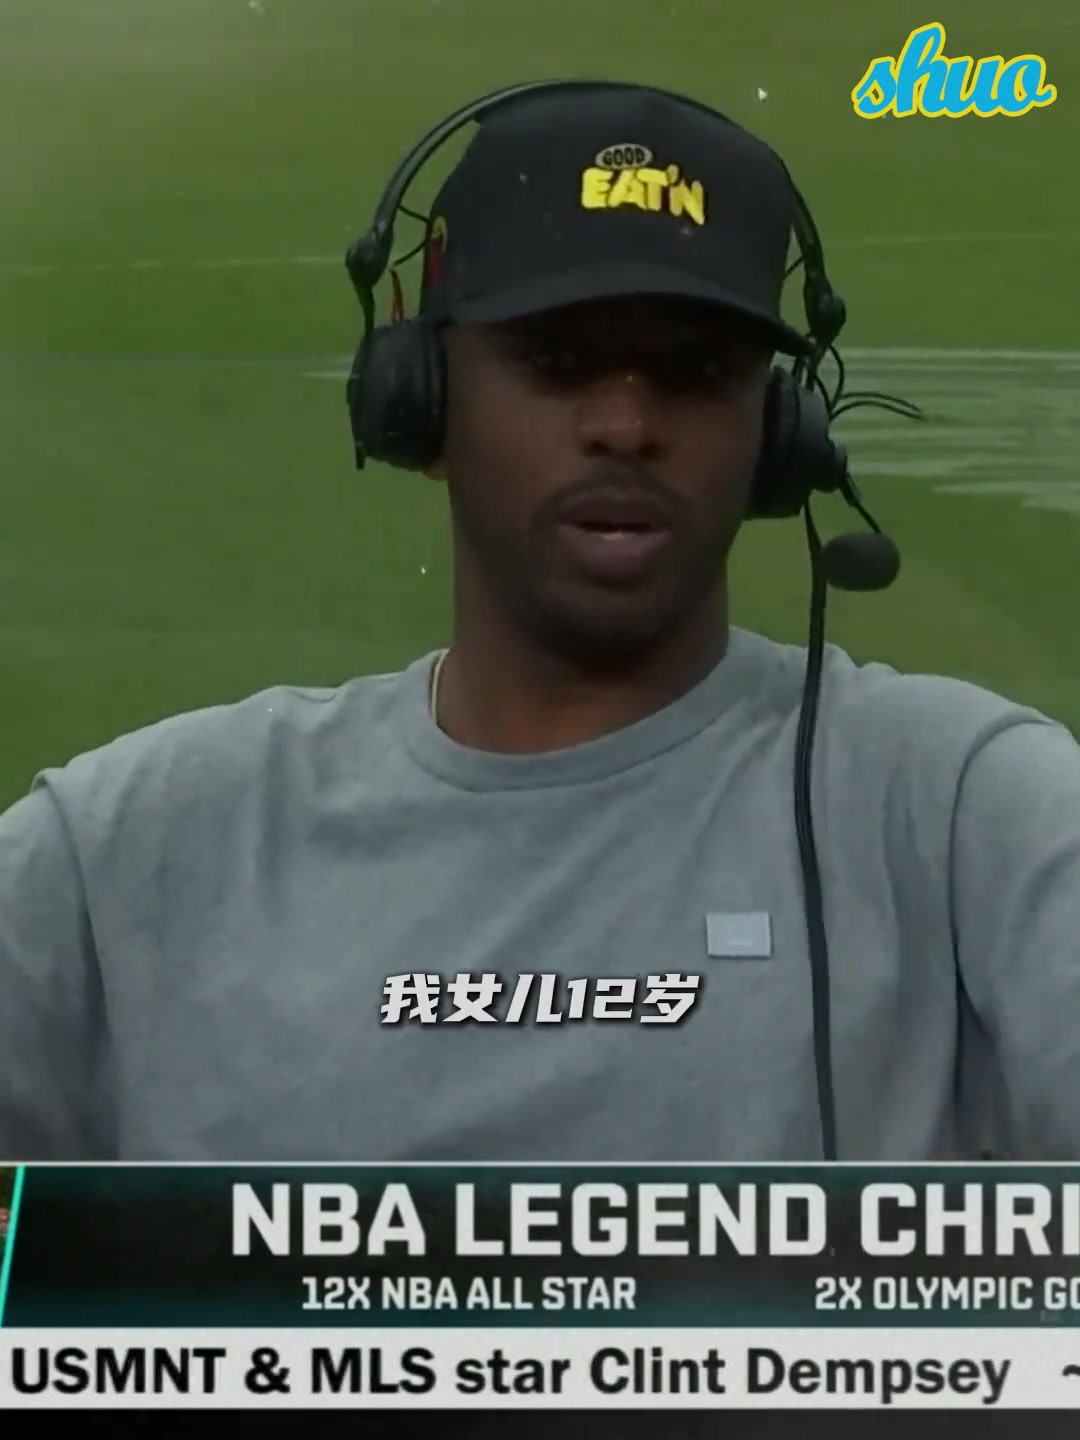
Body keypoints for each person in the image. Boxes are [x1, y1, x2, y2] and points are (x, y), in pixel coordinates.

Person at [1, 84, 1078, 1164]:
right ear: (422, 402)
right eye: (557, 362)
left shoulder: (967, 815)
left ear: (777, 433)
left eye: (696, 372)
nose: (627, 423)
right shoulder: (129, 849)